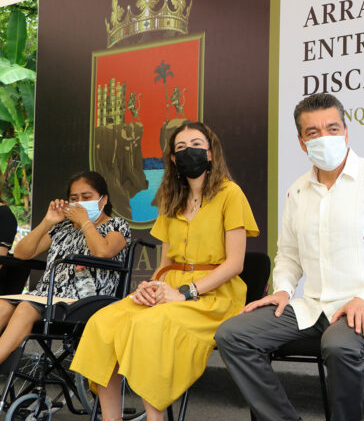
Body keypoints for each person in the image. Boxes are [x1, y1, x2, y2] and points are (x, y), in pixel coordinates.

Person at [215, 93, 364, 421]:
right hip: (314, 307)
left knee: (339, 344)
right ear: (301, 142)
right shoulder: (297, 192)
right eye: (313, 132)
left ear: (346, 132)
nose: (324, 137)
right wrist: (283, 288)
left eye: (332, 128)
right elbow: (288, 254)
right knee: (233, 334)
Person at [71, 121, 259, 421]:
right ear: (172, 158)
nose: (189, 152)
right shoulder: (171, 197)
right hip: (170, 287)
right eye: (181, 148)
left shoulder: (230, 193)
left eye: (197, 145)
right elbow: (165, 262)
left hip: (213, 297)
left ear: (211, 153)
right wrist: (152, 285)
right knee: (103, 322)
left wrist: (186, 293)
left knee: (151, 326)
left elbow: (235, 264)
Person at [0, 171, 130, 365]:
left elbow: (102, 252)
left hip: (87, 299)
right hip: (47, 294)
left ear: (103, 200)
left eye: (87, 198)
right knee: (2, 305)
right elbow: (21, 253)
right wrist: (48, 221)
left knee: (26, 308)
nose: (79, 203)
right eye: (74, 198)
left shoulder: (117, 225)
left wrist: (85, 221)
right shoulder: (63, 228)